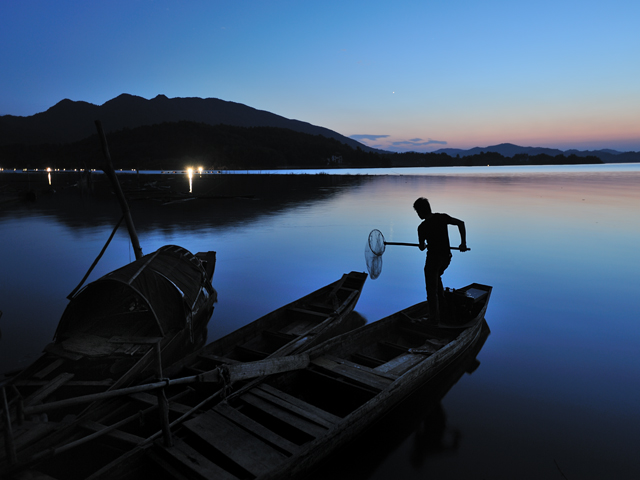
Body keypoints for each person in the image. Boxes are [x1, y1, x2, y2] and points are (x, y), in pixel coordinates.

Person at [413, 197, 468, 322]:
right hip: (446, 259)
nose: (417, 214)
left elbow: (422, 247)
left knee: (431, 290)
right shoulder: (441, 217)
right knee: (437, 279)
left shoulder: (422, 227)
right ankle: (443, 310)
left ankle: (433, 319)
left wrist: (422, 245)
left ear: (421, 211)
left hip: (433, 260)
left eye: (417, 212)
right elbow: (461, 223)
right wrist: (463, 243)